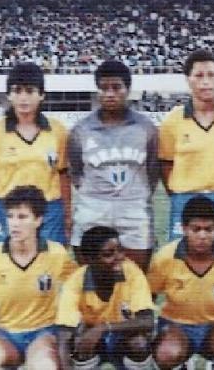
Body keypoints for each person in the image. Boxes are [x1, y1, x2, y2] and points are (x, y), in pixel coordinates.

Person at [0, 186, 77, 369]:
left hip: (43, 333)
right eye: (10, 216)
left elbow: (78, 284)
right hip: (5, 334)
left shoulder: (56, 254)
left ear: (38, 220)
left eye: (22, 217)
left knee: (44, 367)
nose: (14, 223)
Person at [68, 59, 159, 271]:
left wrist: (134, 196)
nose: (109, 93)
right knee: (89, 277)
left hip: (134, 207)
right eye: (103, 88)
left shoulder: (146, 128)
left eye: (116, 87)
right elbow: (76, 172)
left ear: (127, 90)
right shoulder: (81, 130)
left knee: (135, 276)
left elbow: (153, 170)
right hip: (93, 207)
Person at [149, 196, 214, 369]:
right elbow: (150, 294)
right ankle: (182, 362)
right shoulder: (165, 257)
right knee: (167, 353)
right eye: (196, 229)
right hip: (176, 324)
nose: (203, 236)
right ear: (184, 229)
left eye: (208, 229)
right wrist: (144, 323)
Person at [159, 49, 214, 248]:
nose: (205, 81)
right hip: (185, 198)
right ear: (188, 79)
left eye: (211, 75)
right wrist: (180, 191)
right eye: (199, 75)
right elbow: (166, 165)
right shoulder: (173, 120)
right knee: (182, 262)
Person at [0, 62, 71, 245]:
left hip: (49, 211)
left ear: (41, 94)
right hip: (6, 209)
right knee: (8, 267)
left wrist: (68, 216)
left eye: (30, 91)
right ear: (9, 95)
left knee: (48, 268)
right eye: (17, 91)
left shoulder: (58, 131)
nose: (23, 98)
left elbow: (63, 177)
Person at [56, 226, 155, 369]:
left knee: (139, 343)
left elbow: (148, 321)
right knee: (79, 341)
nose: (119, 257)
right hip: (92, 341)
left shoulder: (131, 272)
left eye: (120, 250)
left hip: (121, 336)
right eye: (109, 254)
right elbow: (64, 337)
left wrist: (103, 328)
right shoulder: (75, 283)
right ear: (90, 259)